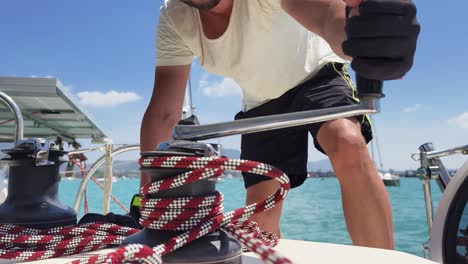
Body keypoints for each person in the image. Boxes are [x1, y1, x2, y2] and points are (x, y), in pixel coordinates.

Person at [140, 0, 419, 250]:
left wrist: (363, 39)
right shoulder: (174, 17)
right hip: (260, 105)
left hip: (318, 75)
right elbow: (164, 113)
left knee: (346, 141)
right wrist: (147, 201)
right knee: (260, 222)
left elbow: (326, 16)